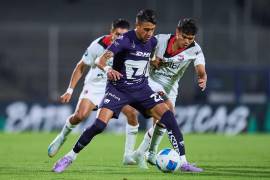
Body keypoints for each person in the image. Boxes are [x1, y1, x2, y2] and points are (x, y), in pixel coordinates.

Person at [52, 9, 203, 173]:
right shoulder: (123, 40)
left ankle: (183, 162)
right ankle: (69, 157)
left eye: (152, 29)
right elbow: (100, 60)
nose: (149, 33)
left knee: (169, 117)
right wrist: (108, 69)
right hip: (119, 89)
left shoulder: (152, 42)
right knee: (99, 125)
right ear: (137, 26)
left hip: (141, 88)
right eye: (145, 29)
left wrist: (153, 62)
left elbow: (147, 59)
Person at [47, 19, 139, 165]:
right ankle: (62, 136)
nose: (120, 38)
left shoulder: (131, 45)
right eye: (117, 34)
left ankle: (128, 155)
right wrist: (70, 90)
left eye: (123, 35)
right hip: (96, 84)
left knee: (132, 113)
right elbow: (80, 66)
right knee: (80, 115)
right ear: (111, 32)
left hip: (116, 86)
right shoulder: (98, 45)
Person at [133, 18, 207, 169]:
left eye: (190, 38)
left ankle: (145, 153)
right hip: (151, 82)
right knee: (169, 114)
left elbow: (201, 70)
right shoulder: (159, 40)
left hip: (172, 87)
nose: (187, 41)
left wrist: (202, 77)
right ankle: (182, 161)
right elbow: (138, 52)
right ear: (177, 32)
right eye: (184, 37)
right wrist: (151, 59)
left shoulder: (195, 50)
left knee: (162, 122)